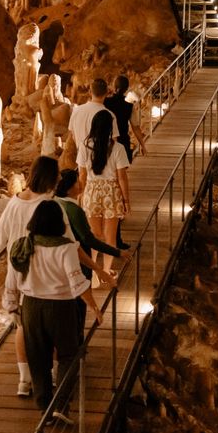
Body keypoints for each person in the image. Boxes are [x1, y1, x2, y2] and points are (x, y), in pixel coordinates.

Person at [6, 200, 102, 421]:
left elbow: (12, 280)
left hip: (30, 307)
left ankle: (45, 408)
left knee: (37, 357)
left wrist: (12, 307)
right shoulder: (66, 247)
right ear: (59, 222)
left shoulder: (22, 245)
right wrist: (95, 307)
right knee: (69, 354)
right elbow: (77, 282)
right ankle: (61, 404)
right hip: (61, 307)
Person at [0, 155, 61, 397]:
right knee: (49, 324)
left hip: (18, 270)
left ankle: (24, 381)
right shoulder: (49, 204)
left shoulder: (14, 203)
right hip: (45, 272)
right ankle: (52, 374)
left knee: (23, 325)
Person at [55, 169, 122, 338]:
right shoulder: (74, 210)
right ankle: (78, 342)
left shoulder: (55, 203)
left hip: (58, 264)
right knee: (79, 305)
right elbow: (88, 239)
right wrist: (117, 252)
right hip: (78, 260)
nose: (81, 184)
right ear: (70, 187)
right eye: (77, 181)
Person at [81, 110, 130, 276]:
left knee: (93, 236)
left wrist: (81, 196)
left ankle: (94, 273)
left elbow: (82, 175)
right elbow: (122, 178)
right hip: (111, 192)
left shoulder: (85, 146)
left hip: (91, 190)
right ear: (110, 128)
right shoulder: (118, 148)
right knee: (110, 238)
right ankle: (106, 271)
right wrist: (126, 201)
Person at [104, 75, 147, 249]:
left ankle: (112, 226)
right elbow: (135, 127)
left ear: (114, 86)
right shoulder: (129, 106)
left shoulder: (105, 103)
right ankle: (117, 229)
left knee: (111, 181)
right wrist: (142, 144)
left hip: (106, 146)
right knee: (118, 182)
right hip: (121, 145)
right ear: (127, 88)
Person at [67, 78, 119, 173]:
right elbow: (114, 141)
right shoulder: (109, 115)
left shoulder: (76, 111)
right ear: (107, 93)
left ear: (90, 92)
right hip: (103, 164)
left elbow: (73, 135)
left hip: (82, 160)